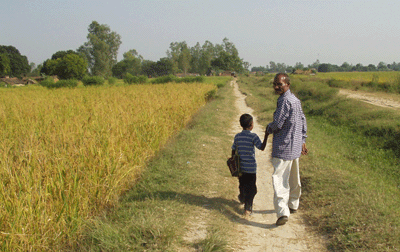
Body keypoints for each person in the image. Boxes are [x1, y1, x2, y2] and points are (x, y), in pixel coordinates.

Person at [266, 73, 308, 226]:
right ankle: (294, 204)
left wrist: (268, 128)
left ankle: (283, 212)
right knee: (294, 178)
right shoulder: (295, 100)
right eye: (275, 84)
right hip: (295, 146)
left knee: (280, 179)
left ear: (288, 84)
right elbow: (303, 120)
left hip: (283, 147)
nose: (277, 87)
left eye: (280, 84)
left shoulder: (284, 101)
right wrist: (303, 139)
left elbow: (277, 124)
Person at [232, 113, 268, 216]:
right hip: (251, 169)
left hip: (241, 168)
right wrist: (266, 135)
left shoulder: (237, 136)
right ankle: (247, 208)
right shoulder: (253, 136)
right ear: (251, 124)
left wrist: (234, 162)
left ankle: (242, 196)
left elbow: (233, 149)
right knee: (252, 189)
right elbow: (262, 147)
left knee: (242, 184)